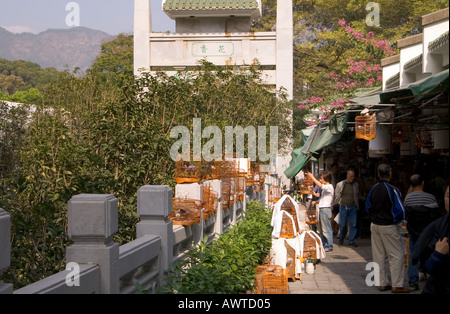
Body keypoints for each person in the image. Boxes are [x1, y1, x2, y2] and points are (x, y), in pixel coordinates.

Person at [366, 164, 410, 293]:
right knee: (397, 255)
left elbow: (368, 206)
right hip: (388, 225)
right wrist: (398, 219)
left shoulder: (373, 189)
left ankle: (382, 284)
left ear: (379, 174)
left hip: (375, 225)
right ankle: (397, 285)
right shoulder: (392, 189)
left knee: (378, 255)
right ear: (390, 174)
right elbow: (401, 210)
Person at [404, 173, 441, 291]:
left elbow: (406, 216)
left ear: (411, 185)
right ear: (423, 183)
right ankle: (432, 278)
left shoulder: (408, 199)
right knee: (430, 254)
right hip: (428, 234)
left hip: (414, 232)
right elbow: (437, 215)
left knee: (414, 255)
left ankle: (413, 281)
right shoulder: (430, 198)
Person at [412, 183, 449, 294]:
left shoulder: (408, 197)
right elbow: (429, 266)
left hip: (412, 229)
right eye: (448, 195)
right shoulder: (440, 226)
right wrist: (438, 254)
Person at [306, 171, 334, 252]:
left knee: (326, 229)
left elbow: (320, 185)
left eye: (321, 178)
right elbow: (324, 199)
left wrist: (312, 177)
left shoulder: (329, 187)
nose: (321, 180)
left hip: (325, 209)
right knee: (322, 229)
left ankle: (329, 245)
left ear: (326, 179)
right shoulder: (326, 188)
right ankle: (325, 245)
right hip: (322, 209)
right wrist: (317, 202)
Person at [334, 168, 359, 247]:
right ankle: (341, 237)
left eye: (353, 176)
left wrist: (356, 205)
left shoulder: (355, 185)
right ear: (347, 175)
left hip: (352, 207)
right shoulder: (340, 184)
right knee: (343, 224)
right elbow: (337, 194)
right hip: (343, 206)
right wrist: (338, 202)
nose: (352, 178)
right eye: (351, 176)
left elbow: (356, 195)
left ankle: (351, 240)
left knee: (353, 224)